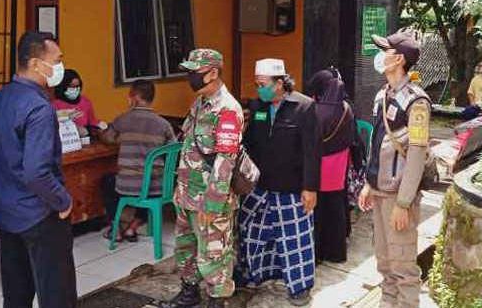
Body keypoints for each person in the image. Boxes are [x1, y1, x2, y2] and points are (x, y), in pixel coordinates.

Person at [0, 31, 77, 308]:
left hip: (7, 212)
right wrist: (62, 201)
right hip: (41, 215)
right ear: (36, 63)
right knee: (57, 294)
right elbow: (36, 171)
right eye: (57, 60)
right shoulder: (39, 108)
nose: (60, 67)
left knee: (16, 295)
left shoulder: (0, 98)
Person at [160, 49, 243, 308]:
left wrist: (213, 201)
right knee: (186, 248)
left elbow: (225, 160)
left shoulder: (227, 109)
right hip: (186, 193)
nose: (190, 78)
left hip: (209, 198)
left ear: (213, 73)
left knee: (214, 254)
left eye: (194, 73)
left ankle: (218, 301)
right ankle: (189, 293)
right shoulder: (199, 103)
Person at [238, 58, 320, 307]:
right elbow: (250, 145)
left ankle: (299, 287)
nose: (258, 89)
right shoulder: (258, 105)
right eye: (256, 84)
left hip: (292, 188)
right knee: (252, 232)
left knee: (295, 239)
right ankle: (253, 274)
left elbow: (312, 152)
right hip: (260, 187)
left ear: (280, 83)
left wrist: (310, 188)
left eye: (263, 84)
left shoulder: (304, 107)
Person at [358, 32, 430, 308]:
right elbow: (377, 144)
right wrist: (368, 183)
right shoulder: (382, 95)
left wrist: (403, 202)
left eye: (385, 50)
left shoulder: (417, 102)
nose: (380, 55)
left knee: (403, 269)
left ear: (398, 59)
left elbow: (416, 155)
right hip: (379, 191)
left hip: (399, 197)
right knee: (385, 264)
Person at [99, 79, 176, 242]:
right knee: (147, 185)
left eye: (129, 96)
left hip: (130, 185)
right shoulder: (164, 125)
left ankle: (116, 228)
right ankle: (133, 227)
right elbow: (173, 150)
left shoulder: (122, 120)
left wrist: (109, 133)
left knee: (107, 181)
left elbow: (108, 138)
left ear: (134, 97)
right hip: (158, 186)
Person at [306, 68, 355, 264]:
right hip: (340, 163)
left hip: (319, 164)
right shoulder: (346, 107)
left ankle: (317, 253)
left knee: (318, 211)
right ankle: (336, 252)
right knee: (336, 207)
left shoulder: (316, 110)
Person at [53, 69, 102, 137]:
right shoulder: (55, 104)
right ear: (63, 86)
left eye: (77, 86)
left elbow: (92, 122)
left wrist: (99, 126)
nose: (75, 89)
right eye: (71, 86)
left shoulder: (85, 102)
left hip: (85, 140)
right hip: (65, 141)